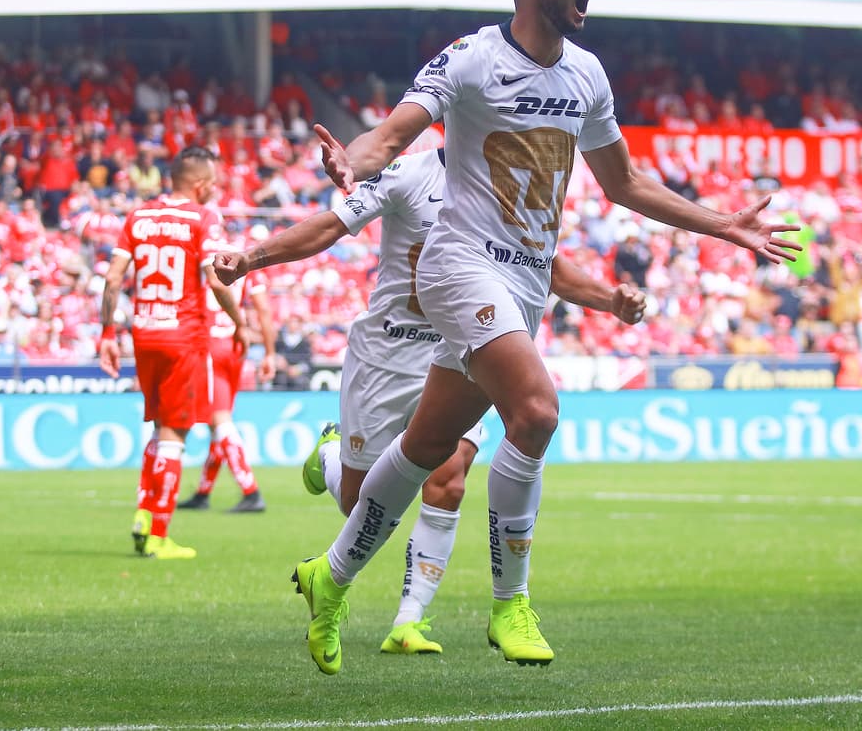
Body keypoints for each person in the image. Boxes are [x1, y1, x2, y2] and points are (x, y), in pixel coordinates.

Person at [286, 0, 801, 674]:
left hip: (524, 282)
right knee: (536, 412)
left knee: (430, 448)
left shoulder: (588, 76)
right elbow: (391, 135)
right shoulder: (471, 59)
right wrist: (351, 159)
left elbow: (624, 184)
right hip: (459, 266)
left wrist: (723, 224)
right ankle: (509, 605)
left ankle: (328, 578)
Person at [216, 145, 646, 655]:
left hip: (464, 341)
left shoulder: (510, 182)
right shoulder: (410, 173)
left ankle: (409, 621)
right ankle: (331, 457)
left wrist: (607, 301)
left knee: (450, 477)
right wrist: (252, 259)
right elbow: (331, 225)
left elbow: (543, 264)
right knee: (361, 506)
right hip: (388, 352)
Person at [98, 147, 247, 560]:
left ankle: (145, 513)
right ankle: (158, 533)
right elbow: (217, 282)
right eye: (213, 183)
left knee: (158, 427)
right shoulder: (204, 217)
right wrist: (240, 323)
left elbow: (112, 280)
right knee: (174, 434)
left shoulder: (138, 216)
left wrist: (107, 333)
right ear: (200, 185)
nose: (214, 190)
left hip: (144, 334)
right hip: (184, 336)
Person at [176, 251, 277, 514]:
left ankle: (251, 491)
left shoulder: (204, 261)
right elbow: (264, 310)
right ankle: (203, 492)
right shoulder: (247, 266)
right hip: (236, 347)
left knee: (219, 420)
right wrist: (269, 353)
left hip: (210, 343)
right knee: (216, 422)